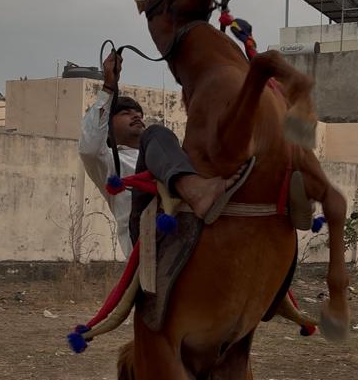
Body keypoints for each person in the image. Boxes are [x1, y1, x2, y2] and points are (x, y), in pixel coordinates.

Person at [79, 50, 250, 258]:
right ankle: (195, 192)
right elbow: (89, 146)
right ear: (108, 128)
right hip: (147, 234)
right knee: (157, 132)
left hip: (190, 222)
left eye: (139, 114)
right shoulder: (107, 162)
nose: (136, 117)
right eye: (126, 113)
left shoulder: (169, 156)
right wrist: (108, 87)